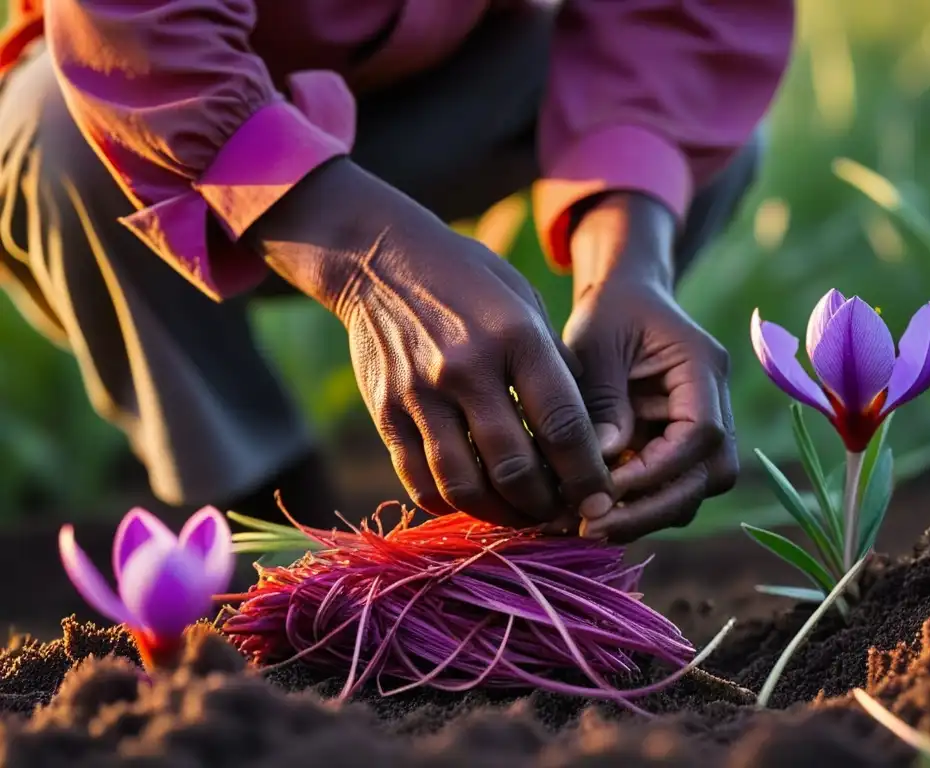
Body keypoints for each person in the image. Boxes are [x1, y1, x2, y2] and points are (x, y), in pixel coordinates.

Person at [0, 0, 793, 542]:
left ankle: (574, 478)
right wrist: (364, 254)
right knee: (53, 131)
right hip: (174, 114)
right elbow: (139, 34)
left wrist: (629, 266)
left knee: (695, 148)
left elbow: (682, 27)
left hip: (446, 89)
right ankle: (257, 514)